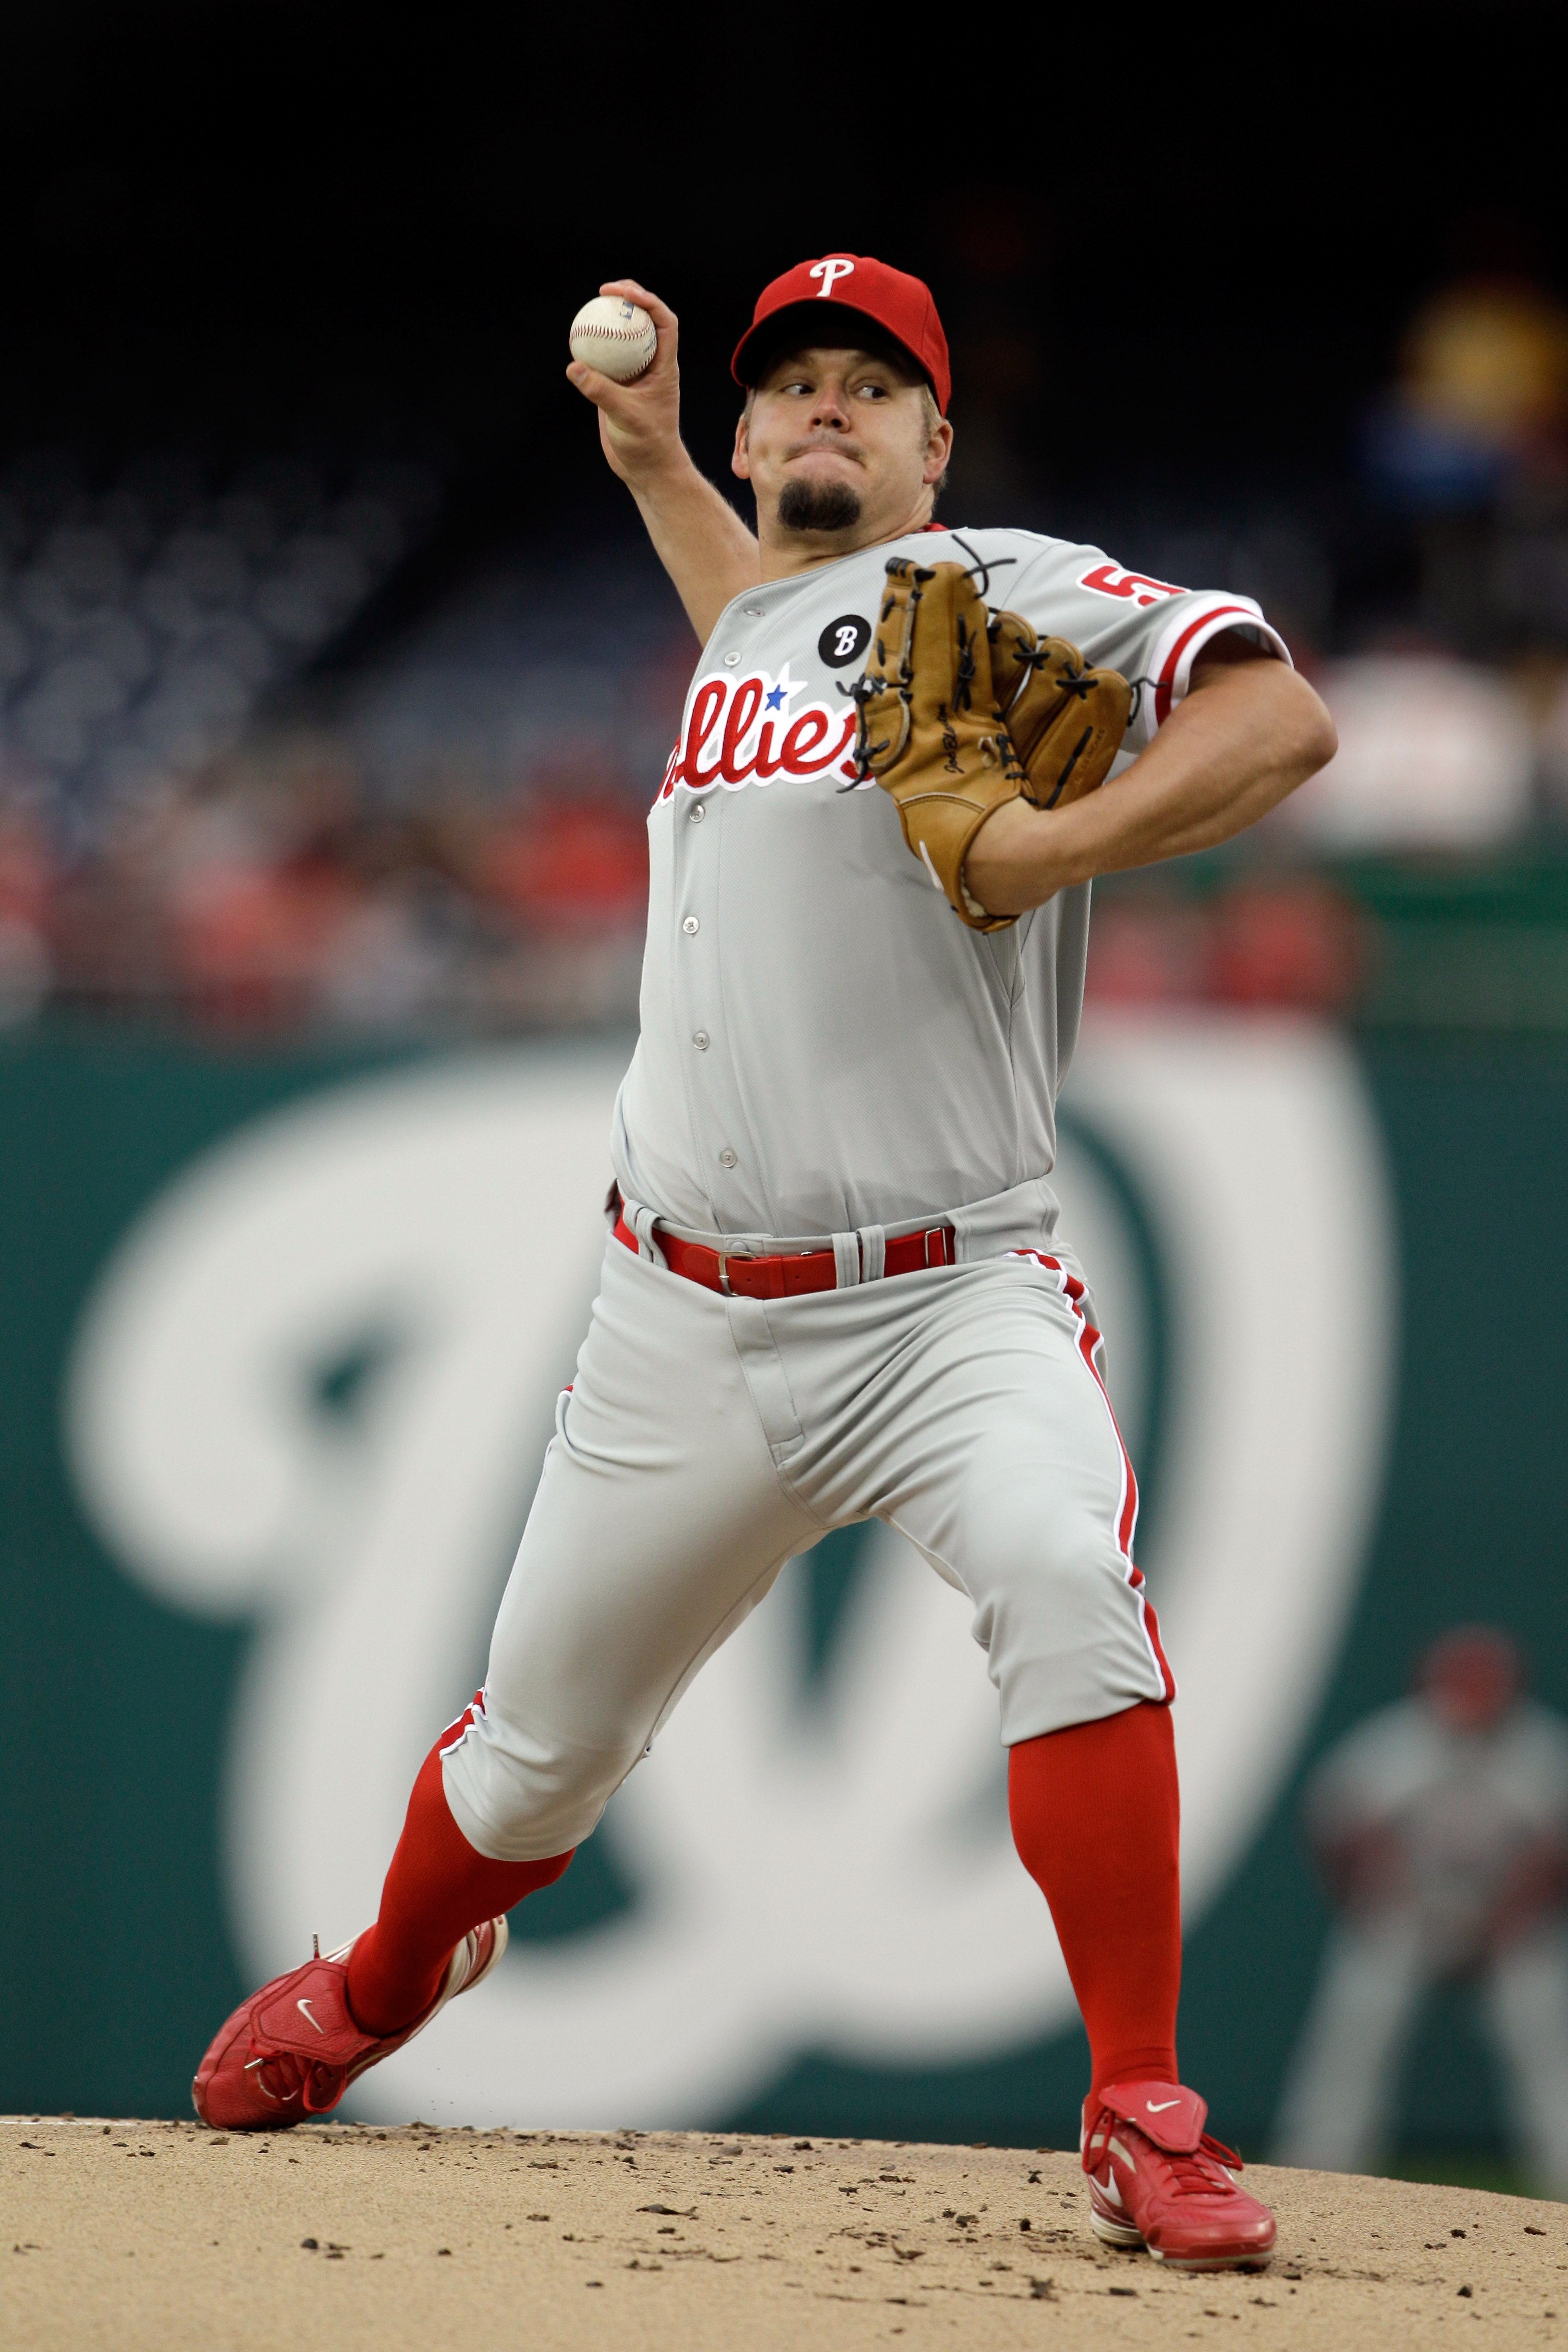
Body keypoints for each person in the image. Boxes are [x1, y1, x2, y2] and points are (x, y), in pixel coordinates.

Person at [193, 253, 1336, 2274]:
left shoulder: (1000, 589)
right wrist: (645, 465)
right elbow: (759, 619)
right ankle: (375, 1983)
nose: (827, 406)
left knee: (1070, 1575)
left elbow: (1281, 718)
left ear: (933, 444)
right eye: (792, 381)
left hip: (944, 1297)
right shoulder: (751, 617)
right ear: (744, 431)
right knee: (538, 1749)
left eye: (869, 388)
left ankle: (1141, 2100)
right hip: (678, 1317)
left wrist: (1046, 849)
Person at [1274, 1627, 1568, 2191]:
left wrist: (1509, 1918)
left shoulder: (1540, 1749)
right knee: (1359, 2020)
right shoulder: (1394, 1744)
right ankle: (1317, 2170)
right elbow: (1336, 1829)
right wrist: (1375, 1898)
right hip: (1407, 1911)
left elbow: (1553, 1853)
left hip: (1506, 1921)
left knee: (1544, 2028)